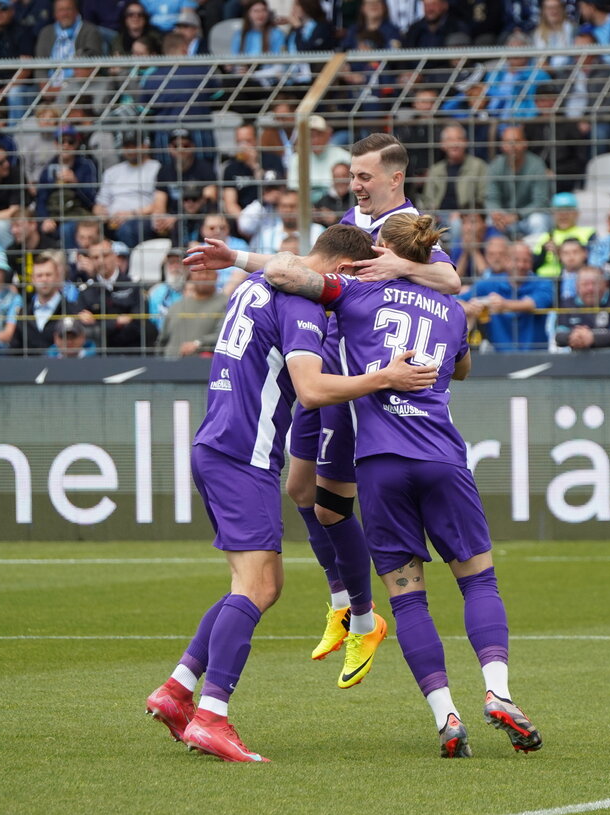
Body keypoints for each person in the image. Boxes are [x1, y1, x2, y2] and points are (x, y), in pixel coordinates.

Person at [145, 225, 437, 762]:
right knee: (258, 587)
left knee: (255, 583)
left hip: (216, 445)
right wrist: (385, 378)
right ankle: (212, 716)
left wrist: (238, 256)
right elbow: (311, 389)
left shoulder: (258, 283)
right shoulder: (300, 302)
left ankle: (177, 689)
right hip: (243, 456)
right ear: (343, 270)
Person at [185, 132, 461, 686]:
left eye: (363, 175)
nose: (353, 183)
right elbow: (311, 267)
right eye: (352, 174)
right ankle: (344, 606)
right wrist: (236, 258)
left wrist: (402, 269)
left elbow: (451, 280)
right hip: (321, 361)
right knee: (300, 490)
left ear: (395, 179)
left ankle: (361, 618)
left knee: (330, 507)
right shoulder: (355, 224)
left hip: (354, 378)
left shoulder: (407, 228)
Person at [264, 214, 541, 757]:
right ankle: (499, 692)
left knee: (409, 600)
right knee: (479, 583)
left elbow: (284, 274)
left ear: (384, 253)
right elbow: (462, 369)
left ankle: (447, 718)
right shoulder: (453, 311)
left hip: (380, 465)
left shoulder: (356, 294)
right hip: (442, 457)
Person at [554, 265, 610, 350]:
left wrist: (593, 338)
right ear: (577, 287)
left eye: (594, 283)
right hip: (575, 357)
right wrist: (574, 337)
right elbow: (559, 336)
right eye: (585, 284)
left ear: (605, 284)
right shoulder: (567, 304)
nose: (590, 289)